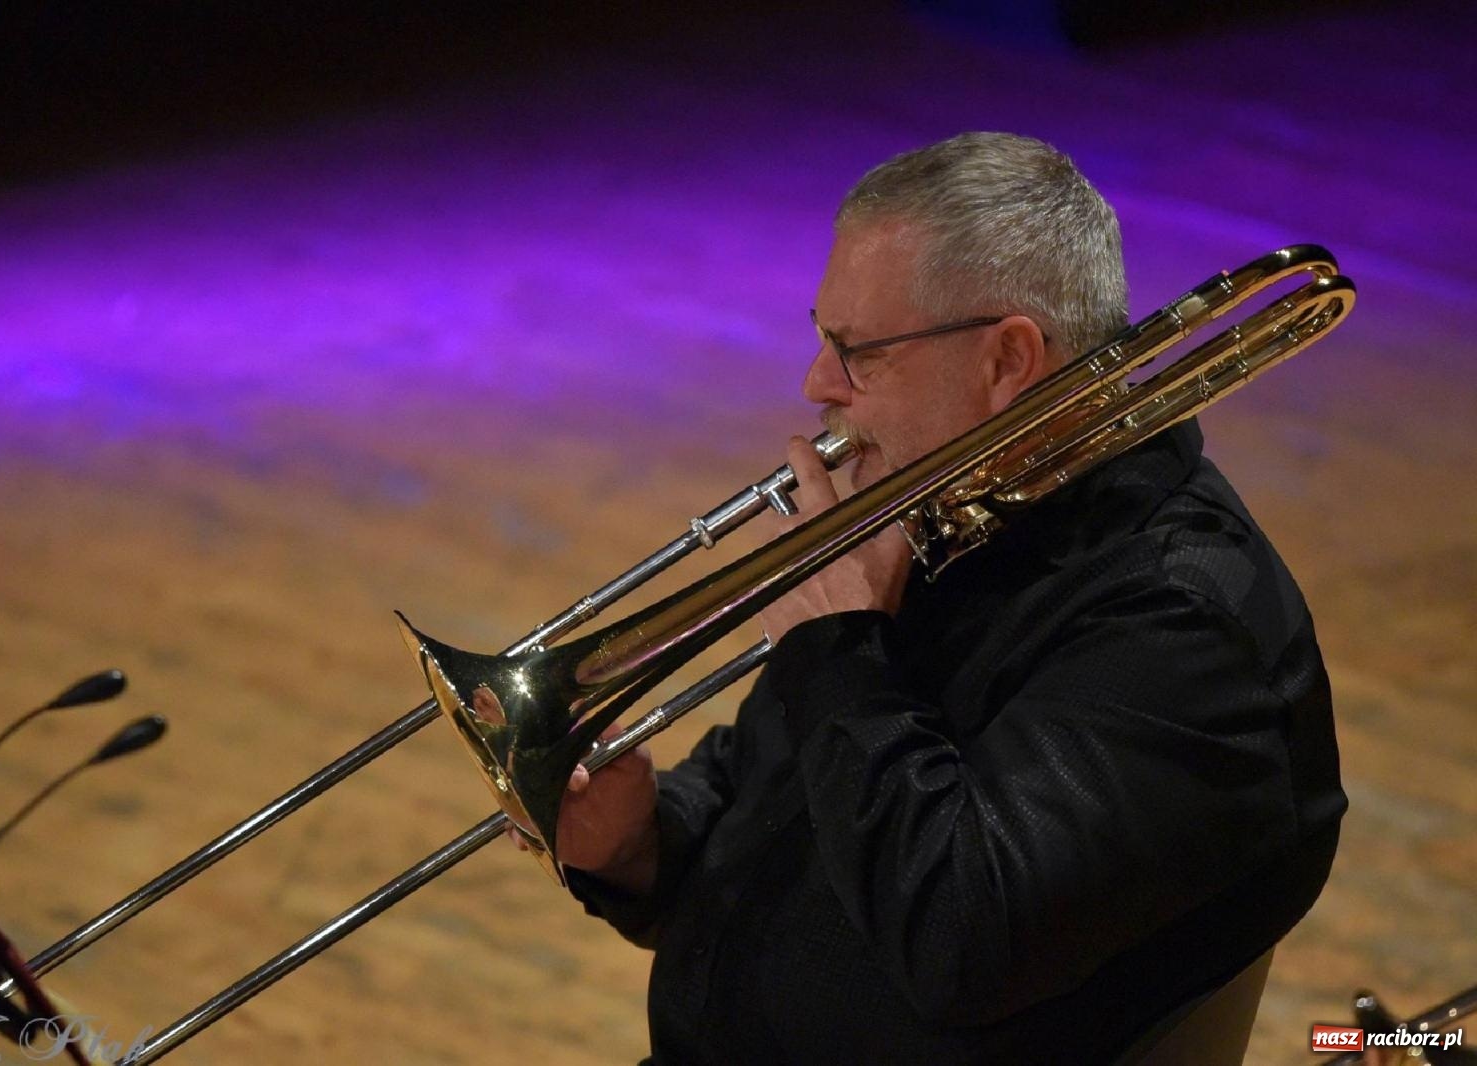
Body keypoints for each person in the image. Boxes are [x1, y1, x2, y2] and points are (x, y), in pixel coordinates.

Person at [535, 132, 1348, 1064]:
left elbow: (957, 937)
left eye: (856, 352)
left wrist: (839, 649)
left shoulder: (1186, 633)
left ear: (1007, 360)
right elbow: (784, 804)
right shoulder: (953, 509)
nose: (816, 385)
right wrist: (641, 842)